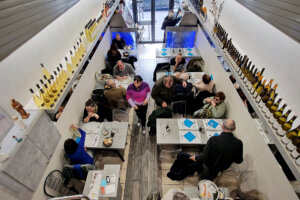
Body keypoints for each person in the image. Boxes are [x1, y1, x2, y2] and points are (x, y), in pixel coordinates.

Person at [167, 119, 243, 181]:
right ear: (234, 128)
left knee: (182, 155)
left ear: (222, 126)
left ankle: (200, 178)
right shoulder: (239, 143)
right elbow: (238, 160)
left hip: (208, 166)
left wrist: (196, 157)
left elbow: (204, 156)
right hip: (221, 168)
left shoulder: (214, 140)